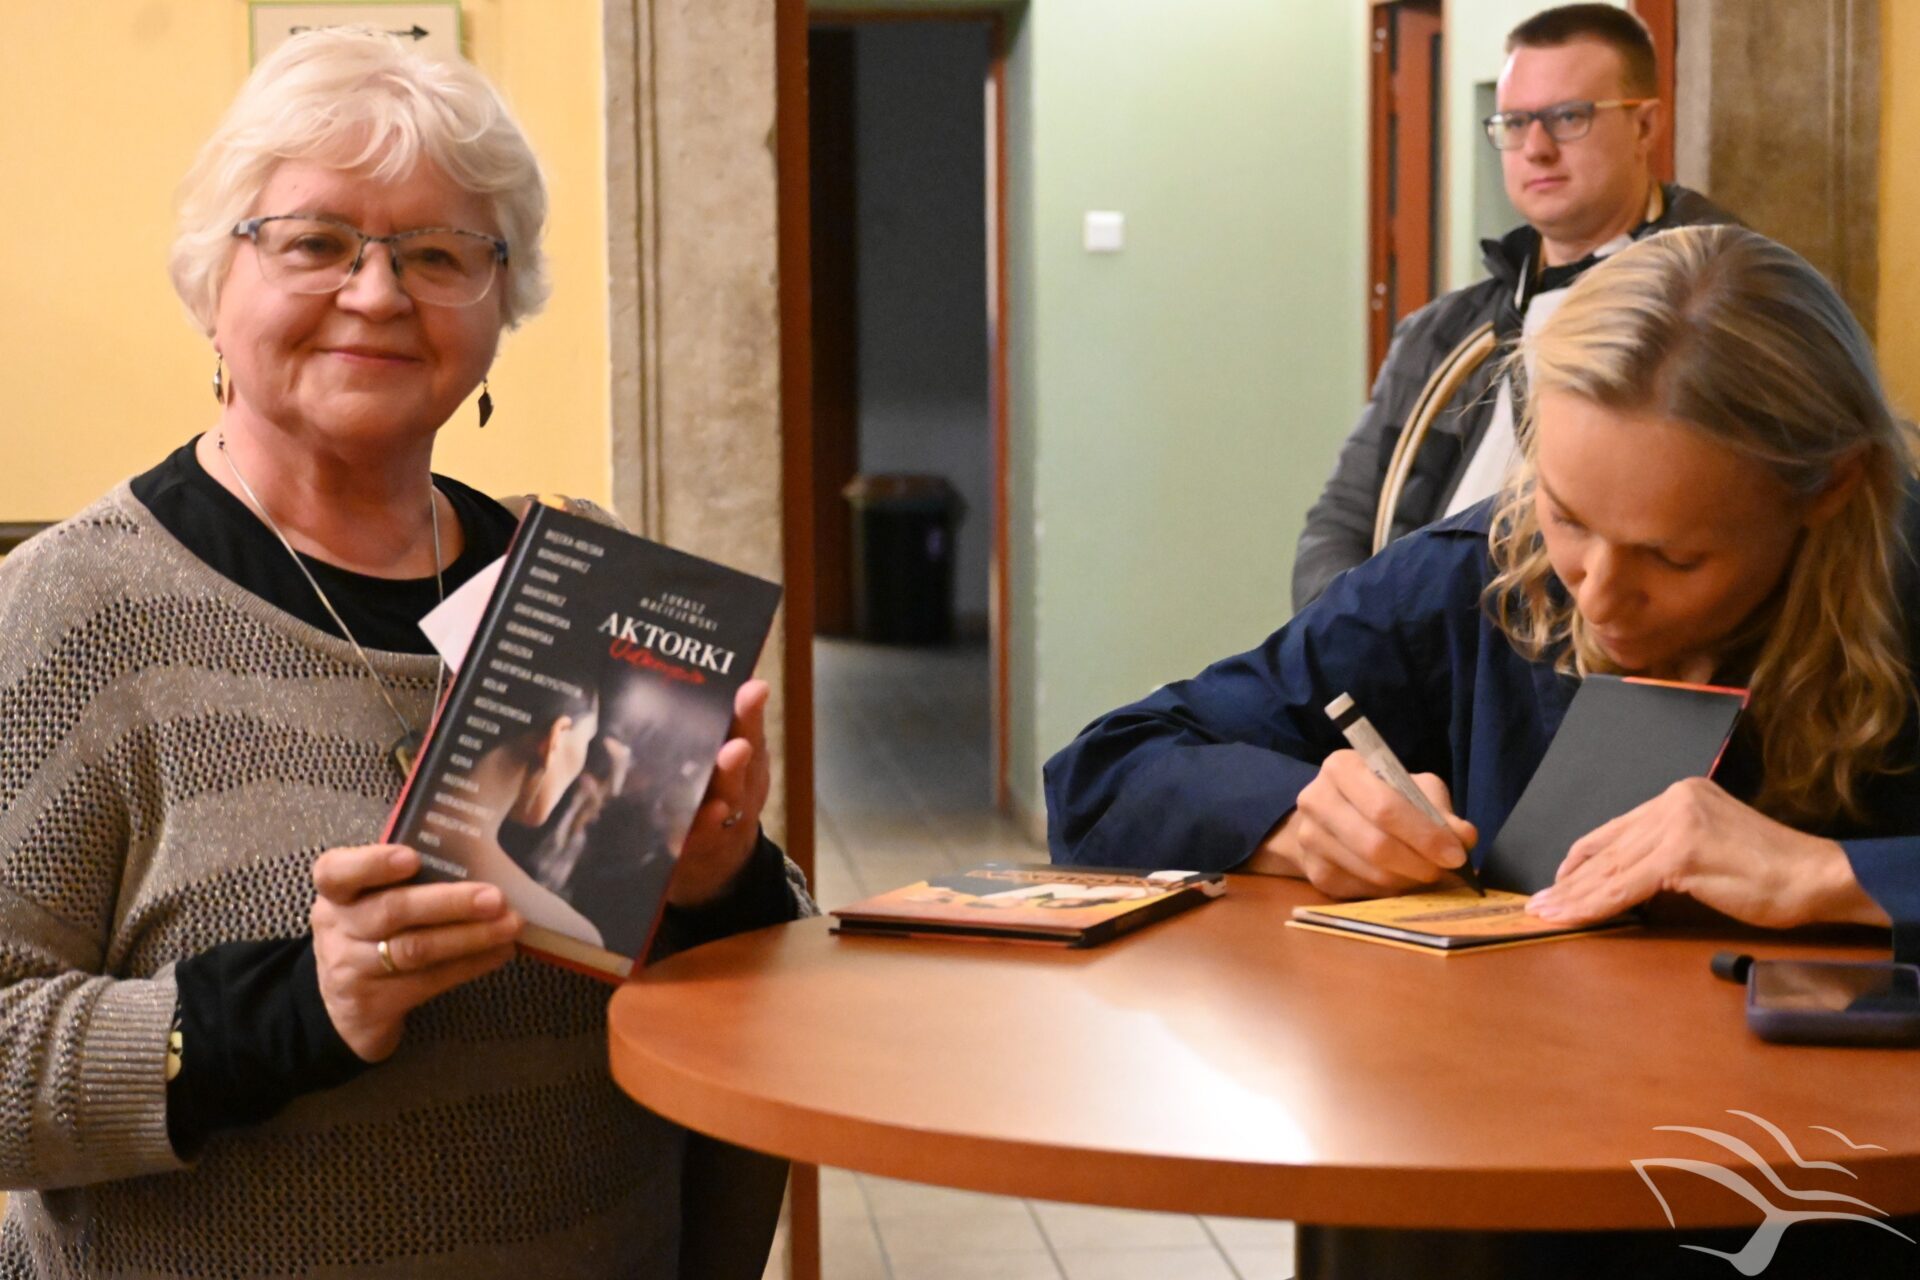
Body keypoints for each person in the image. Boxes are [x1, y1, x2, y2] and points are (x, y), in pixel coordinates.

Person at [0, 29, 809, 1279]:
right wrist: (294, 1008)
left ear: (499, 302)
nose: (377, 294)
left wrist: (720, 880)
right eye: (315, 242)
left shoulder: (585, 582)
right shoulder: (73, 611)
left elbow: (763, 988)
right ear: (214, 282)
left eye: (438, 254)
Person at [1049, 224, 1918, 1275]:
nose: (1599, 592)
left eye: (1674, 557)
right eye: (1569, 516)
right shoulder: (1477, 573)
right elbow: (1106, 769)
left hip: (1830, 1202)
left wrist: (1837, 875)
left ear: (1830, 490)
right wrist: (1294, 818)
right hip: (1487, 1198)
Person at [1292, 3, 1737, 612]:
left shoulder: (1722, 307)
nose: (1536, 148)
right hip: (1419, 643)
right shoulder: (1443, 331)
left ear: (1645, 125)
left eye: (1569, 117)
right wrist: (1358, 633)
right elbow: (1342, 520)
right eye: (1515, 121)